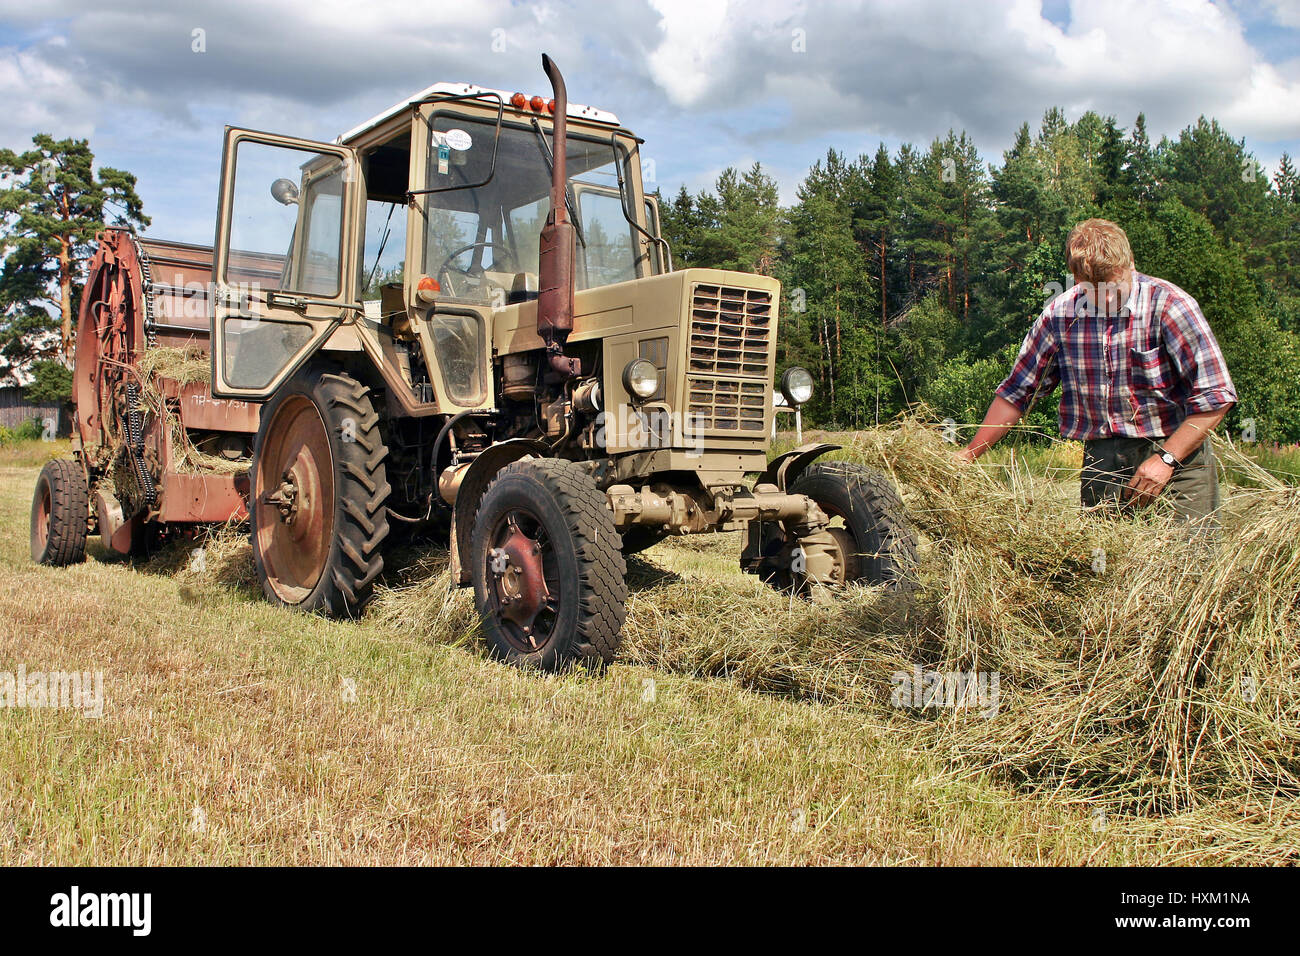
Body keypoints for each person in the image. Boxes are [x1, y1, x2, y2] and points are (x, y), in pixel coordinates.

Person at [957, 218, 1236, 524]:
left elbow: (1216, 396)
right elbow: (1016, 393)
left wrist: (1166, 459)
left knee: (1184, 554)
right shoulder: (1060, 316)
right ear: (1076, 278)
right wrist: (968, 455)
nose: (1106, 299)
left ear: (1130, 264)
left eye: (1113, 286)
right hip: (1103, 465)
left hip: (1178, 462)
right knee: (1105, 556)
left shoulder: (1171, 306)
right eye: (1093, 290)